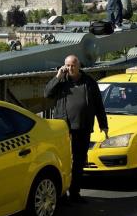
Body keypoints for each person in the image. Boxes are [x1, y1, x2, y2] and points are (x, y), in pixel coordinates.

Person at [44, 54, 108, 203]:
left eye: (72, 65)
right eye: (67, 65)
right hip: (64, 129)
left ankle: (75, 192)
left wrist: (103, 125)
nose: (70, 68)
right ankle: (62, 193)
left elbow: (99, 105)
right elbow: (47, 93)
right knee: (64, 161)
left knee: (79, 161)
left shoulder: (89, 82)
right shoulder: (61, 81)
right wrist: (57, 77)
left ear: (79, 66)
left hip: (83, 127)